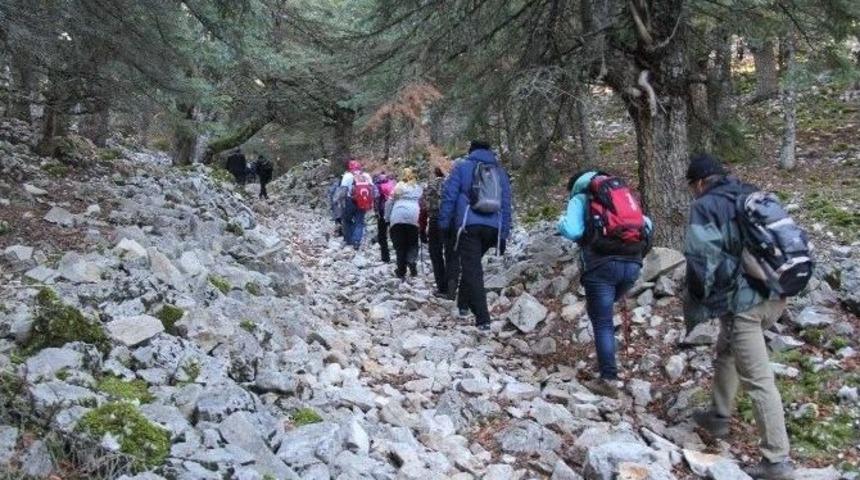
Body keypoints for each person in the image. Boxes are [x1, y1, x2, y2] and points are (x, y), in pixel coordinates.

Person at [683, 154, 794, 480]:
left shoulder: (705, 206)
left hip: (744, 305)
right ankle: (718, 415)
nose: (692, 192)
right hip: (777, 295)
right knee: (726, 351)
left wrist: (699, 301)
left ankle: (777, 460)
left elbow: (701, 260)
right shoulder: (751, 194)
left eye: (692, 186)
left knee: (757, 380)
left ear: (700, 182)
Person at [557, 170, 652, 398]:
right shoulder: (623, 195)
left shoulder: (581, 198)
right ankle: (609, 364)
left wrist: (560, 223)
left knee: (602, 321)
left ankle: (608, 378)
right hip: (632, 265)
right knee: (603, 315)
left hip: (601, 266)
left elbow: (572, 230)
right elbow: (647, 226)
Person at [438, 141, 512, 331]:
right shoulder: (499, 172)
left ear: (471, 151)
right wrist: (503, 234)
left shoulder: (462, 167)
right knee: (472, 265)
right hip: (492, 228)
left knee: (473, 270)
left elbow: (449, 196)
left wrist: (444, 224)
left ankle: (483, 318)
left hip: (468, 225)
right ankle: (463, 305)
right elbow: (505, 204)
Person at [385, 168, 423, 279]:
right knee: (413, 243)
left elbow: (389, 203)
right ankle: (412, 262)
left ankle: (401, 270)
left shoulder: (398, 187)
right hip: (414, 217)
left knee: (400, 245)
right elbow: (423, 204)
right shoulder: (418, 189)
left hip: (398, 217)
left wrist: (387, 219)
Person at [423, 164, 449, 296]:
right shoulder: (451, 183)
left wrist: (422, 228)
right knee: (450, 253)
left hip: (435, 220)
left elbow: (424, 206)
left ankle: (442, 287)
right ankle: (452, 284)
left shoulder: (431, 185)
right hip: (450, 220)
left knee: (436, 253)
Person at [340, 159, 375, 249]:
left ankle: (349, 239)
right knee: (359, 222)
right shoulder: (366, 175)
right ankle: (356, 241)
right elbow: (372, 189)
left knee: (347, 220)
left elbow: (343, 190)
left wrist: (341, 202)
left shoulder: (347, 175)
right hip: (363, 201)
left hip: (350, 201)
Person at [374, 172, 397, 263]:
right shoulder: (393, 184)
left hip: (382, 213)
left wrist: (376, 212)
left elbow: (376, 199)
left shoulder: (378, 186)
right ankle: (399, 254)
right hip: (394, 212)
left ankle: (385, 257)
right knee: (394, 234)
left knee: (382, 236)